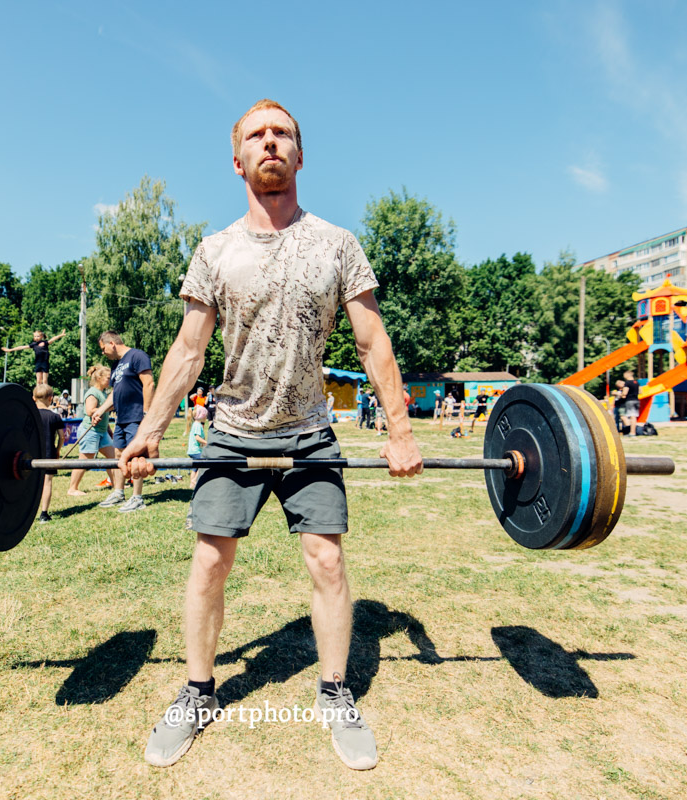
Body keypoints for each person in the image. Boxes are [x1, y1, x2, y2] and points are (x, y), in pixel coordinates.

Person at [118, 99, 422, 770]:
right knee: (209, 563)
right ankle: (199, 690)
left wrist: (399, 431)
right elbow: (188, 350)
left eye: (282, 133)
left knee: (328, 561)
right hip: (232, 430)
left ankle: (335, 692)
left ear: (300, 154)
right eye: (256, 135)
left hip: (311, 430)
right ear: (238, 161)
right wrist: (149, 431)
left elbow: (372, 343)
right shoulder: (215, 250)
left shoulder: (338, 244)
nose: (270, 142)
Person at [91, 331, 154, 513]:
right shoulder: (117, 365)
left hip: (137, 416)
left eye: (103, 349)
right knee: (119, 455)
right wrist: (101, 411)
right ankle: (119, 492)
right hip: (121, 418)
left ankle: (137, 497)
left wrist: (147, 414)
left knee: (137, 457)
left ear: (111, 343)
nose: (103, 353)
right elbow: (115, 393)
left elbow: (148, 384)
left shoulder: (137, 356)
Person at [67, 365, 117, 496]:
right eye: (108, 378)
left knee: (112, 458)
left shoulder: (103, 393)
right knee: (85, 460)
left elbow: (104, 415)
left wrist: (108, 430)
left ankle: (115, 484)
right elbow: (90, 410)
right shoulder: (92, 393)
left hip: (102, 432)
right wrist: (104, 409)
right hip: (90, 431)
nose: (110, 380)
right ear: (99, 378)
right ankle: (72, 488)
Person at [33, 384, 66, 522]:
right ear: (51, 398)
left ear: (33, 398)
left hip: (31, 453)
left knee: (32, 483)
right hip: (48, 453)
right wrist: (58, 450)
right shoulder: (55, 417)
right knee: (47, 482)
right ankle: (44, 513)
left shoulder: (30, 415)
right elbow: (62, 437)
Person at [2, 330, 67, 386]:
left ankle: (45, 393)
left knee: (44, 381)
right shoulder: (34, 344)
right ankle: (38, 393)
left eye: (38, 336)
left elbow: (53, 339)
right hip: (38, 363)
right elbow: (22, 347)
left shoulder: (45, 343)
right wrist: (10, 350)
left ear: (41, 336)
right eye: (35, 336)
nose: (36, 338)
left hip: (44, 362)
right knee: (38, 381)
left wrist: (61, 335)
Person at [187, 404, 208, 488]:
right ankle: (194, 480)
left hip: (192, 450)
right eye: (205, 416)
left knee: (195, 468)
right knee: (203, 465)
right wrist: (206, 442)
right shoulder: (198, 425)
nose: (206, 417)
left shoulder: (196, 424)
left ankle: (191, 485)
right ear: (202, 416)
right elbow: (197, 437)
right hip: (196, 451)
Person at [622, 370, 640, 435]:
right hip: (636, 400)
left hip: (630, 400)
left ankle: (632, 432)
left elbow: (624, 393)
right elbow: (640, 391)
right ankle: (633, 431)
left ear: (627, 375)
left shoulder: (627, 383)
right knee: (634, 416)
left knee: (631, 417)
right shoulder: (637, 382)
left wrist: (621, 394)